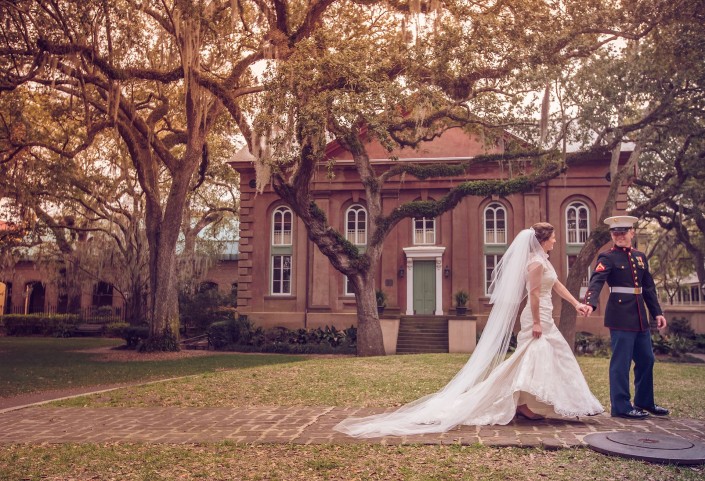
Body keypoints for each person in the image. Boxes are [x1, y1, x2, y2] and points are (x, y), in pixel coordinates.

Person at [334, 223, 603, 438]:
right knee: (538, 356)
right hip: (537, 316)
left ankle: (528, 402)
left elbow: (556, 286)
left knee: (541, 357)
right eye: (553, 237)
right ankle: (535, 401)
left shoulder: (544, 260)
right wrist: (535, 322)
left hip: (546, 315)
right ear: (543, 240)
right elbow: (533, 295)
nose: (556, 241)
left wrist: (577, 303)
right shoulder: (534, 263)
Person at [583, 215, 669, 420]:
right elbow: (596, 281)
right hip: (620, 316)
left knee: (647, 359)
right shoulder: (607, 257)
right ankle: (621, 406)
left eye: (623, 232)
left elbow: (648, 288)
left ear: (632, 232)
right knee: (621, 363)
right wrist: (590, 302)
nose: (619, 236)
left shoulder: (640, 257)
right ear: (612, 235)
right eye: (615, 233)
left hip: (640, 316)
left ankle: (644, 401)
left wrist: (657, 312)